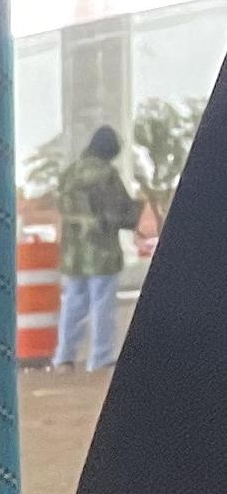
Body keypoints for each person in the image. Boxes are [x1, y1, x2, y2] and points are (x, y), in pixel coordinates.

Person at [53, 124, 145, 372]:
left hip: (74, 255)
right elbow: (119, 210)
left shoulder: (69, 174)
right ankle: (100, 358)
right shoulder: (106, 174)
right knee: (102, 305)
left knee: (73, 303)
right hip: (102, 253)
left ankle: (64, 357)